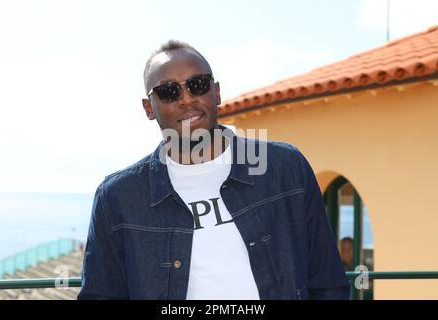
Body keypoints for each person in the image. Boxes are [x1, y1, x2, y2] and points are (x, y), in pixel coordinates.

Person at [78, 40, 350, 300]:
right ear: (149, 108)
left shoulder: (285, 168)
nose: (186, 99)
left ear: (216, 92)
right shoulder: (117, 198)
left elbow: (326, 280)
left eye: (197, 85)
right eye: (168, 91)